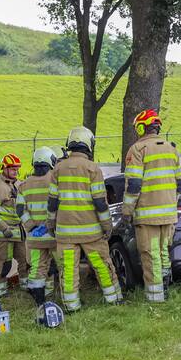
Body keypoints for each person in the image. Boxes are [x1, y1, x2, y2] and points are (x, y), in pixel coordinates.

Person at [46, 127, 121, 312]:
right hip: (91, 233)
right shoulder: (92, 168)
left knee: (69, 271)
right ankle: (114, 300)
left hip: (65, 233)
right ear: (89, 145)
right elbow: (100, 203)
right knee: (102, 266)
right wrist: (107, 226)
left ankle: (72, 307)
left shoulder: (58, 169)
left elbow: (52, 202)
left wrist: (51, 224)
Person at [121, 109, 181, 303]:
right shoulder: (171, 148)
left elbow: (134, 185)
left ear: (141, 127)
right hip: (169, 214)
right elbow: (180, 182)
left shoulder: (137, 150)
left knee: (150, 254)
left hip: (147, 215)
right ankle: (166, 288)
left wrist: (127, 211)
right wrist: (172, 203)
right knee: (164, 252)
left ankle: (155, 298)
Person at [15, 146, 58, 306]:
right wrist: (50, 225)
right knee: (64, 266)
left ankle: (40, 302)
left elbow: (20, 209)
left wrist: (32, 227)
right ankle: (66, 298)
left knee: (37, 268)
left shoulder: (24, 185)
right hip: (55, 235)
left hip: (35, 237)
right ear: (51, 161)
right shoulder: (54, 181)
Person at [0, 153, 24, 298]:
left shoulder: (19, 184)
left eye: (17, 169)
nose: (15, 171)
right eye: (12, 169)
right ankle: (0, 293)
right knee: (3, 264)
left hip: (19, 232)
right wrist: (4, 228)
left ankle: (26, 289)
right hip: (4, 234)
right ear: (4, 169)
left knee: (25, 261)